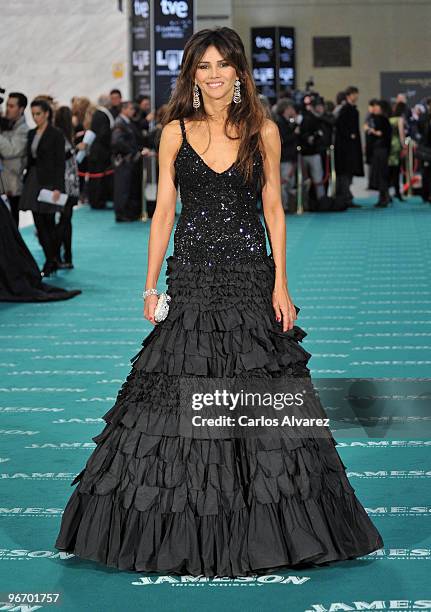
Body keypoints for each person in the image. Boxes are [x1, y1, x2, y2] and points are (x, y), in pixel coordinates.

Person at [54, 26, 384, 577]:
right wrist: (149, 284)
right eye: (202, 66)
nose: (211, 75)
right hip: (192, 282)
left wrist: (282, 283)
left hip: (251, 279)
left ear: (238, 72)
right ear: (192, 74)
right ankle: (185, 533)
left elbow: (274, 209)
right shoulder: (174, 132)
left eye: (221, 65)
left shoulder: (263, 130)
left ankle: (274, 533)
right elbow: (164, 213)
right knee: (178, 398)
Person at [19, 98, 66, 277]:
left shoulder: (56, 134)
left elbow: (59, 163)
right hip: (33, 180)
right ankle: (50, 259)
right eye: (33, 114)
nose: (36, 117)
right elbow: (30, 158)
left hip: (49, 182)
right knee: (39, 222)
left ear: (47, 114)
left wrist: (58, 188)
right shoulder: (31, 134)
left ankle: (52, 259)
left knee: (49, 222)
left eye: (38, 114)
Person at [54, 106, 80, 267]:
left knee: (65, 221)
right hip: (65, 186)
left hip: (67, 186)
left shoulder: (62, 136)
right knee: (65, 222)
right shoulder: (62, 137)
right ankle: (58, 255)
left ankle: (64, 256)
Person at [0, 92, 29, 227]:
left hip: (12, 186)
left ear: (21, 109)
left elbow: (10, 150)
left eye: (11, 106)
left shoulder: (24, 130)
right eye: (7, 105)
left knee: (11, 226)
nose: (7, 109)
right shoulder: (6, 125)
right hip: (4, 183)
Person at [111, 101, 142, 222]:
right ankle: (121, 213)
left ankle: (126, 212)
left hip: (127, 160)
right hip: (123, 160)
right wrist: (132, 151)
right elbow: (117, 142)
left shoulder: (126, 123)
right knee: (122, 188)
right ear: (123, 109)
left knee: (127, 187)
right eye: (130, 108)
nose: (133, 111)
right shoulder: (120, 123)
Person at [334, 86, 364, 208]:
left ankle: (346, 196)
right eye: (355, 94)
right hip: (345, 148)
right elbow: (340, 126)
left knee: (348, 172)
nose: (357, 96)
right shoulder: (345, 110)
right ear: (349, 95)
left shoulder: (351, 109)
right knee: (345, 173)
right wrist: (350, 135)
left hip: (350, 148)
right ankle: (345, 197)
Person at [273, 98, 299, 213]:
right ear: (285, 109)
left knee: (287, 183)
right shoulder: (280, 122)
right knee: (284, 183)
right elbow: (283, 139)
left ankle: (287, 205)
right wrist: (295, 133)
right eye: (290, 108)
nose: (292, 110)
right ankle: (284, 206)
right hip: (284, 157)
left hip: (288, 157)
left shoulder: (285, 122)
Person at [366, 100, 392, 208]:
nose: (374, 108)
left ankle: (384, 198)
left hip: (381, 150)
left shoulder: (382, 119)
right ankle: (384, 197)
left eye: (377, 107)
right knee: (379, 175)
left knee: (381, 174)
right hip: (377, 150)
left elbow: (383, 134)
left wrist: (372, 131)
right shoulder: (373, 118)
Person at [388, 101, 407, 201]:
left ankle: (388, 192)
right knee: (396, 170)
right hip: (396, 145)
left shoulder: (390, 119)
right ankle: (397, 192)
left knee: (390, 169)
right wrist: (404, 146)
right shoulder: (400, 119)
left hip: (389, 145)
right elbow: (401, 134)